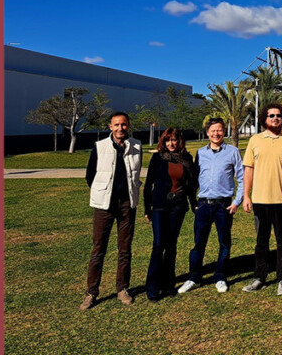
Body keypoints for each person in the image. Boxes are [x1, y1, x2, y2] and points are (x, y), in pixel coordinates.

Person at [80, 111, 143, 310]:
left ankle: (122, 288)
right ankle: (91, 292)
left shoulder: (136, 146)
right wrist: (103, 193)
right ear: (110, 127)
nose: (120, 128)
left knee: (125, 250)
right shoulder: (100, 146)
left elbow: (136, 173)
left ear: (128, 125)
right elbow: (90, 175)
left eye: (123, 125)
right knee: (98, 250)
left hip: (127, 205)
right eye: (116, 125)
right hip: (104, 205)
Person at [241, 102, 282, 294]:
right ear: (264, 119)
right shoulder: (255, 140)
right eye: (271, 116)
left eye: (278, 116)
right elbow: (248, 169)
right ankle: (259, 277)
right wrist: (246, 196)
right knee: (261, 241)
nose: (275, 118)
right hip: (260, 200)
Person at [179, 117, 243, 294]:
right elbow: (193, 180)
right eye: (213, 130)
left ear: (225, 131)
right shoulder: (200, 153)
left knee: (224, 243)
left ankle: (220, 276)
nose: (216, 133)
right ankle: (194, 277)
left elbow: (242, 178)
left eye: (220, 130)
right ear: (207, 132)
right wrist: (194, 203)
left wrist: (237, 201)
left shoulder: (233, 152)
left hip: (224, 206)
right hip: (203, 205)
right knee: (198, 243)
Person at [142, 127, 197, 302]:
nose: (171, 143)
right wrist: (147, 209)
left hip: (178, 206)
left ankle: (167, 283)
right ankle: (152, 286)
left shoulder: (186, 159)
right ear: (163, 142)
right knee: (158, 245)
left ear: (179, 141)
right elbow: (149, 184)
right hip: (160, 206)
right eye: (168, 140)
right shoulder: (158, 158)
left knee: (171, 245)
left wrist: (193, 204)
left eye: (174, 140)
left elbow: (190, 186)